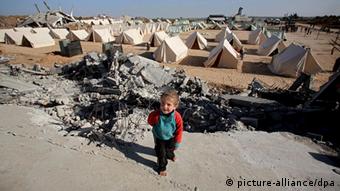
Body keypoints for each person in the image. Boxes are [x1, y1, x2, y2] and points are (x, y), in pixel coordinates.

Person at [147, 89, 183, 176]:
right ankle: (162, 167)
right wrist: (153, 115)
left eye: (169, 104)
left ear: (175, 106)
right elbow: (150, 121)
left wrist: (177, 141)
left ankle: (170, 155)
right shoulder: (157, 114)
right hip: (159, 137)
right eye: (162, 104)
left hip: (171, 137)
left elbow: (179, 129)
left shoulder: (176, 117)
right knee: (161, 154)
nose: (165, 107)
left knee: (170, 149)